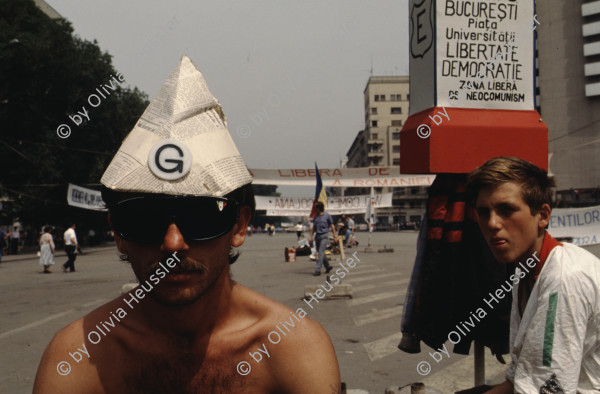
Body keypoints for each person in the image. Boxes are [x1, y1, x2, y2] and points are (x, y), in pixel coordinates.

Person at [33, 56, 339, 393]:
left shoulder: (293, 349)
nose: (173, 243)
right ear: (118, 233)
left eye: (201, 216)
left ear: (239, 226)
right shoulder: (79, 357)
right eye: (145, 218)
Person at [466, 156, 600, 393]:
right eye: (484, 212)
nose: (493, 223)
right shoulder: (526, 268)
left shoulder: (563, 278)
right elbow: (518, 378)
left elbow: (550, 390)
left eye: (506, 210)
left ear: (543, 215)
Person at [308, 201, 336, 276]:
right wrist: (310, 237)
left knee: (320, 252)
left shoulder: (327, 216)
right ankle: (328, 266)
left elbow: (332, 226)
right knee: (320, 252)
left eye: (315, 207)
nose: (314, 209)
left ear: (319, 208)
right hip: (317, 236)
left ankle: (317, 270)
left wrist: (334, 236)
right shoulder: (316, 217)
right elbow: (313, 228)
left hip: (324, 236)